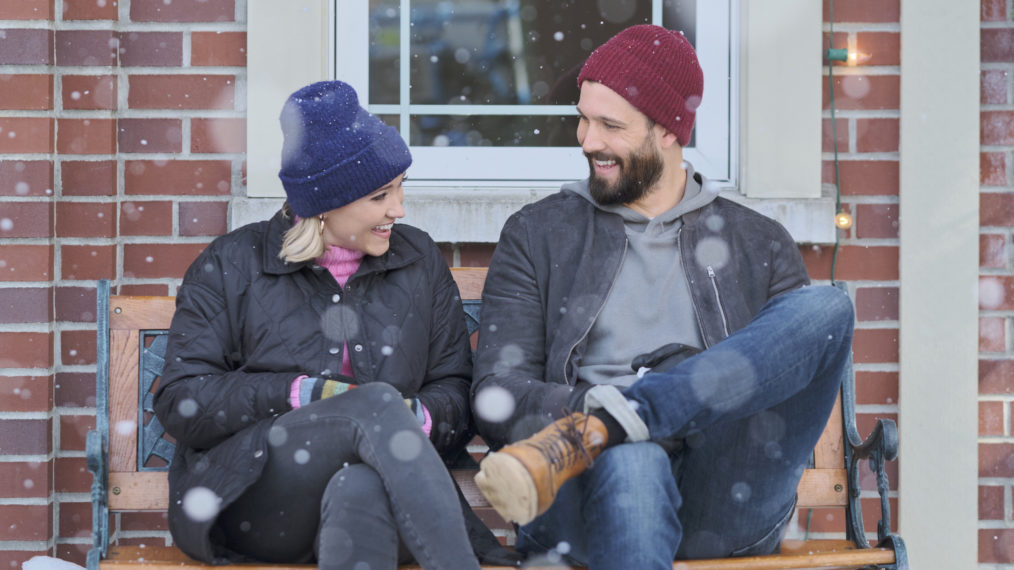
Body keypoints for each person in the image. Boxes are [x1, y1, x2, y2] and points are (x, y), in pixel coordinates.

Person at [471, 25, 855, 569]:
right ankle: (618, 425)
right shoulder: (539, 235)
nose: (587, 140)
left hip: (721, 494)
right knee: (634, 461)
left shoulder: (758, 243)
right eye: (583, 118)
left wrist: (638, 408)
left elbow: (783, 377)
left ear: (670, 131)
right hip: (577, 492)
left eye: (610, 125)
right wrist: (587, 412)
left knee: (830, 309)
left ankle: (628, 413)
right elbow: (496, 393)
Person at [153, 80, 488, 570]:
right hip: (261, 501)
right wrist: (300, 393)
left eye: (400, 189)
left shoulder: (418, 262)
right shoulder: (232, 265)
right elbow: (182, 402)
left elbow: (455, 389)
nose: (398, 209)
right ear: (325, 203)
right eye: (380, 195)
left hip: (384, 497)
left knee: (360, 485)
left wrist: (413, 417)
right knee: (372, 403)